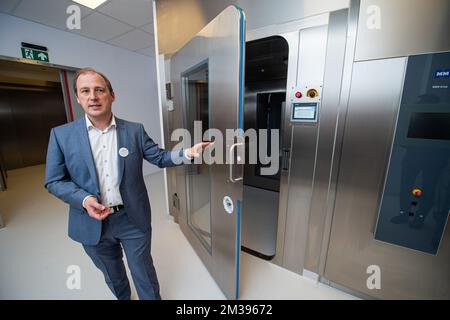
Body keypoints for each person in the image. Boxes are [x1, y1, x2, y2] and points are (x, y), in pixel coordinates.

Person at [44, 67, 210, 300]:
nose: (93, 96)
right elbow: (54, 181)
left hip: (132, 218)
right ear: (78, 98)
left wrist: (188, 153)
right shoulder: (61, 135)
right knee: (113, 275)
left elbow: (160, 157)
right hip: (91, 223)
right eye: (86, 91)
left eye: (99, 90)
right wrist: (85, 199)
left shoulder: (134, 131)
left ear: (112, 95)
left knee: (143, 272)